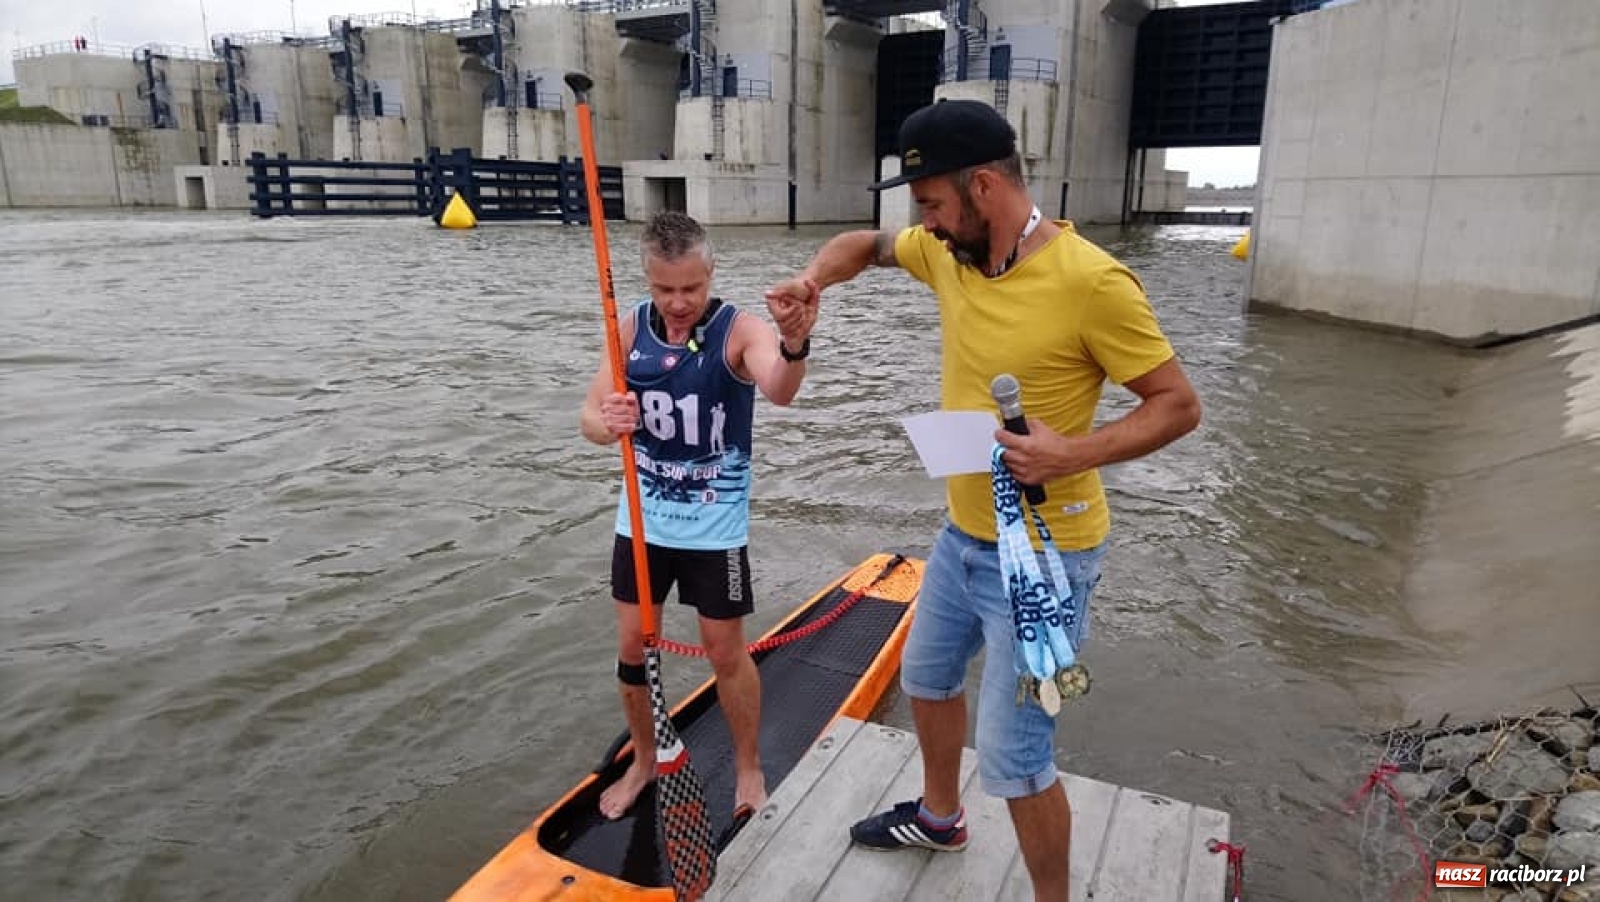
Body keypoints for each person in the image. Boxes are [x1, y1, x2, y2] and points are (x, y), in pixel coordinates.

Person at [765, 99, 1201, 901]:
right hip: (963, 537)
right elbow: (864, 245)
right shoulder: (948, 254)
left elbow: (1178, 404)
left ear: (985, 187)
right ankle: (939, 817)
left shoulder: (1093, 283)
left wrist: (1073, 451)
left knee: (1017, 758)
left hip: (1048, 562)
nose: (922, 225)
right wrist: (811, 280)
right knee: (927, 679)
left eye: (931, 203)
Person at [580, 210, 817, 821]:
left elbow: (781, 388)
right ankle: (644, 759)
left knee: (724, 650)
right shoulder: (628, 328)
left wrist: (794, 343)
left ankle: (747, 765)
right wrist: (608, 423)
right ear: (648, 280)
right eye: (665, 289)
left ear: (710, 274)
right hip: (642, 521)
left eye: (691, 287)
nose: (679, 302)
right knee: (633, 647)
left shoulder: (740, 329)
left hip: (714, 527)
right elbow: (587, 419)